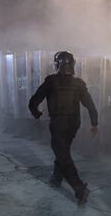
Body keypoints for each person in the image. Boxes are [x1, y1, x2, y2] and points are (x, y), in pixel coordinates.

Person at [28, 51, 98, 205]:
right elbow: (90, 106)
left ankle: (79, 188)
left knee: (63, 155)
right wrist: (94, 123)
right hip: (74, 125)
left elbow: (34, 101)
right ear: (72, 65)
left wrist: (36, 113)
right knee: (63, 150)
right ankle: (56, 178)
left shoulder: (51, 81)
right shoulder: (79, 83)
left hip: (59, 124)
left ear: (57, 65)